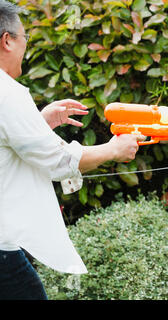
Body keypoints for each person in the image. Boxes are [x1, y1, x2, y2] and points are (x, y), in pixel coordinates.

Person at [0, 1, 143, 300]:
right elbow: (60, 161)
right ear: (7, 40)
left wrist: (39, 122)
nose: (25, 47)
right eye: (25, 38)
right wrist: (114, 149)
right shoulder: (7, 93)